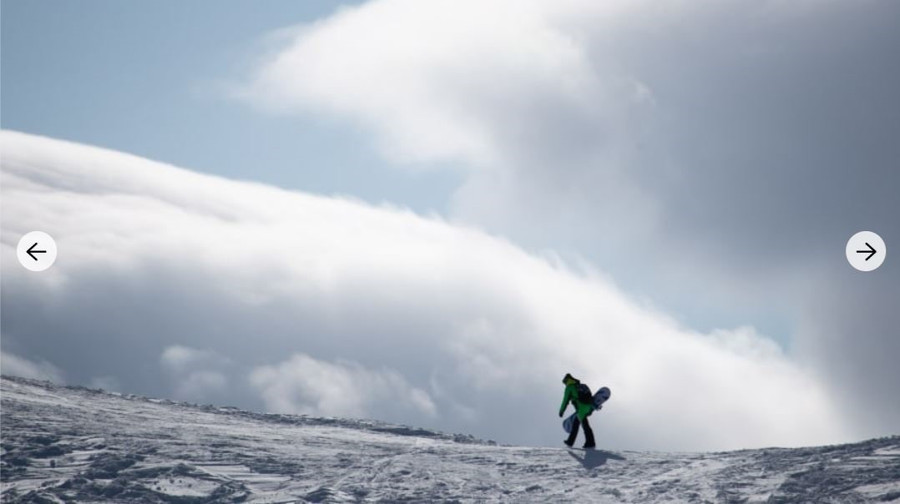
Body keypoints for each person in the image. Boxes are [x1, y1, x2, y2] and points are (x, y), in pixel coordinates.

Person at [559, 373, 596, 449]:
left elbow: (565, 400)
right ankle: (589, 442)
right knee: (582, 424)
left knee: (579, 425)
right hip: (587, 407)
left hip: (581, 409)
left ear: (566, 381)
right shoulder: (579, 385)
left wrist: (561, 411)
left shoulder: (570, 387)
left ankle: (573, 442)